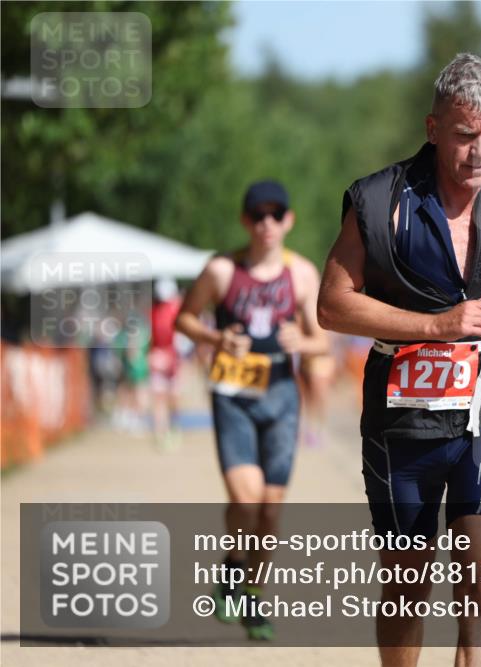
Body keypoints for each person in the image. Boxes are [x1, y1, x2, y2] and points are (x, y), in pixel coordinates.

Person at [318, 54, 481, 667]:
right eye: (466, 135)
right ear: (433, 127)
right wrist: (436, 326)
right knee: (408, 588)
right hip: (402, 420)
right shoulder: (377, 200)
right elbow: (332, 307)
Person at [175, 180, 328, 640]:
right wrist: (216, 338)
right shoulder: (222, 270)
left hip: (282, 395)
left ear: (288, 220)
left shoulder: (300, 274)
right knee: (247, 497)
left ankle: (252, 594)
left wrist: (303, 341)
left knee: (271, 511)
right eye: (257, 215)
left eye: (275, 214)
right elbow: (184, 317)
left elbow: (323, 338)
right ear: (245, 221)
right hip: (232, 395)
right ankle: (233, 566)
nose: (266, 224)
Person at [149, 277, 183, 449]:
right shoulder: (154, 311)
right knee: (160, 398)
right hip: (160, 358)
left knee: (172, 398)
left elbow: (182, 338)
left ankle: (172, 428)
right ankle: (162, 432)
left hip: (171, 359)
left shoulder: (175, 310)